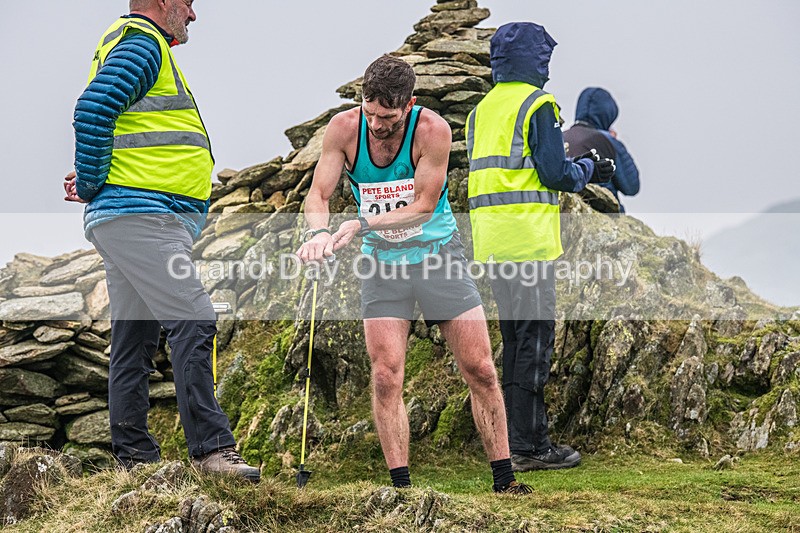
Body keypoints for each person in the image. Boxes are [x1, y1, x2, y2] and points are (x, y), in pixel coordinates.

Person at [296, 55, 531, 494]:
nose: (378, 125)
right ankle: (401, 489)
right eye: (371, 114)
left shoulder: (433, 131)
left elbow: (424, 206)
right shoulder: (344, 129)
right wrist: (319, 234)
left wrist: (361, 223)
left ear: (410, 104)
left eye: (388, 117)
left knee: (480, 368)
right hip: (382, 265)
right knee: (386, 374)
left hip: (437, 255)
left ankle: (505, 480)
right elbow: (318, 193)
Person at [63, 0, 259, 482]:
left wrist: (99, 181)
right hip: (142, 217)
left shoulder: (135, 44)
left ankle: (134, 460)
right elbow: (92, 109)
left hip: (132, 216)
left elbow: (121, 127)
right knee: (194, 317)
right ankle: (213, 452)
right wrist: (92, 183)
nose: (193, 15)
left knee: (134, 339)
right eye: (188, 3)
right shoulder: (144, 43)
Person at [466, 22, 615, 472]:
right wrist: (588, 167)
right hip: (528, 241)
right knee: (534, 343)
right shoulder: (539, 104)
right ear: (537, 61)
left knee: (514, 342)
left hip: (492, 242)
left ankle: (511, 441)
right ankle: (531, 447)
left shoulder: (481, 110)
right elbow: (554, 173)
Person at [563, 87, 640, 212]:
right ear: (608, 115)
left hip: (565, 210)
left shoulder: (561, 136)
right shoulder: (608, 140)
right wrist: (614, 141)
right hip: (603, 212)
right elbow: (631, 186)